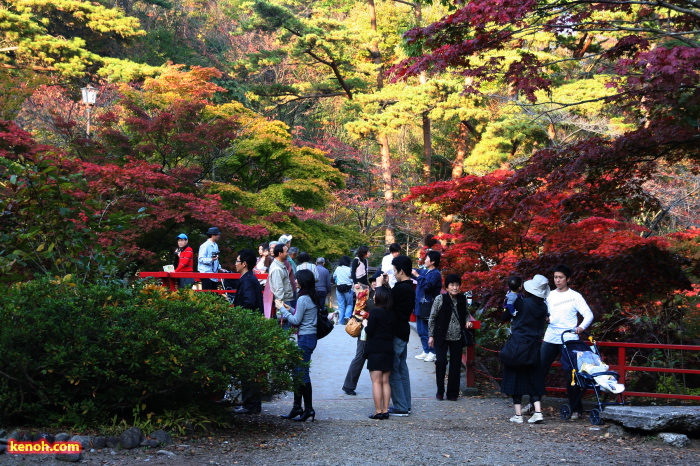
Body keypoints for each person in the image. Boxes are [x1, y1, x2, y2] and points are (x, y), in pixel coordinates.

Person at [540, 264, 594, 420]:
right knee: (539, 370)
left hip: (569, 339)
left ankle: (576, 409)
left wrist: (581, 327)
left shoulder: (575, 296)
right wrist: (545, 318)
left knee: (571, 374)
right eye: (555, 277)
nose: (557, 280)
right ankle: (533, 404)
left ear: (568, 279)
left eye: (561, 277)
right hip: (551, 337)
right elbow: (542, 313)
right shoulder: (549, 295)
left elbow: (588, 314)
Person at [501, 274, 550, 424]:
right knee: (533, 378)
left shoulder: (521, 303)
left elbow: (505, 317)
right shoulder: (543, 306)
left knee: (515, 378)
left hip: (517, 345)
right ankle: (538, 412)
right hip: (534, 346)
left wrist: (506, 303)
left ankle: (518, 415)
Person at [278, 269, 318, 422]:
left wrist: (282, 309)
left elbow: (295, 321)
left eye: (296, 279)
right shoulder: (311, 297)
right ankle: (297, 408)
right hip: (310, 337)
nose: (295, 281)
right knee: (297, 372)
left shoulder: (302, 298)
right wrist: (291, 309)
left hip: (305, 338)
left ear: (302, 282)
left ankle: (308, 409)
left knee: (302, 374)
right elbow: (302, 315)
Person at [231, 249, 265, 415]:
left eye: (237, 260)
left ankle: (250, 404)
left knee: (247, 368)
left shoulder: (247, 280)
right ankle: (252, 403)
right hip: (251, 327)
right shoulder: (250, 279)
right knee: (250, 368)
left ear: (244, 263)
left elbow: (249, 303)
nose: (235, 263)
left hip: (247, 328)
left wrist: (237, 314)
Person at [429, 274, 473, 401]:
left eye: (457, 284)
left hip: (457, 336)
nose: (455, 287)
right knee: (441, 362)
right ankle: (440, 391)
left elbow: (466, 314)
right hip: (441, 335)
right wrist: (431, 336)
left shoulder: (462, 299)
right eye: (452, 285)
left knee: (455, 365)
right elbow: (432, 318)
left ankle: (452, 393)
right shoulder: (440, 299)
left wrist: (468, 321)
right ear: (447, 287)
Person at [387, 255, 415, 416]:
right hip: (404, 330)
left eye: (395, 271)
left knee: (393, 369)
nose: (394, 274)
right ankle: (406, 404)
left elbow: (387, 305)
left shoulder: (399, 289)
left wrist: (382, 287)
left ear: (401, 271)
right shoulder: (409, 287)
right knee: (402, 368)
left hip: (396, 332)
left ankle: (400, 406)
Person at [363, 286, 395, 419]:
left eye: (375, 294)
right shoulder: (392, 313)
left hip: (375, 349)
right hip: (388, 349)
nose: (374, 296)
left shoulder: (375, 313)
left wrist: (365, 324)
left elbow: (369, 331)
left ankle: (378, 411)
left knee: (376, 382)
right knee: (385, 381)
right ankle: (386, 409)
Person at [413, 250, 442, 362]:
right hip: (420, 305)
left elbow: (427, 286)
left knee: (428, 330)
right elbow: (417, 272)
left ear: (433, 261)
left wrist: (417, 276)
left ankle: (432, 352)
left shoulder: (435, 274)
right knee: (420, 330)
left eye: (427, 259)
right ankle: (426, 351)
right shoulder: (426, 272)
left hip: (429, 306)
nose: (424, 260)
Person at [268, 243, 294, 319]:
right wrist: (280, 305)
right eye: (286, 251)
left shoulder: (280, 265)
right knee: (285, 325)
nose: (288, 253)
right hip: (283, 301)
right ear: (280, 253)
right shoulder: (277, 268)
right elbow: (278, 288)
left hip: (285, 301)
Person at [198, 227, 228, 291]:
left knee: (214, 295)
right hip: (205, 273)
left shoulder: (215, 245)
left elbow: (216, 259)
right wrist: (211, 260)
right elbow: (200, 259)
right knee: (207, 295)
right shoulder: (205, 245)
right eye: (217, 235)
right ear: (213, 235)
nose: (219, 236)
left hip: (214, 274)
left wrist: (219, 268)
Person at [334, 255, 354, 325]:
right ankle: (347, 316)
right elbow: (352, 279)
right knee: (349, 304)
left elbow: (334, 276)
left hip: (339, 288)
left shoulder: (338, 268)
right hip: (348, 289)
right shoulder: (350, 269)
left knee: (341, 305)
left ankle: (340, 322)